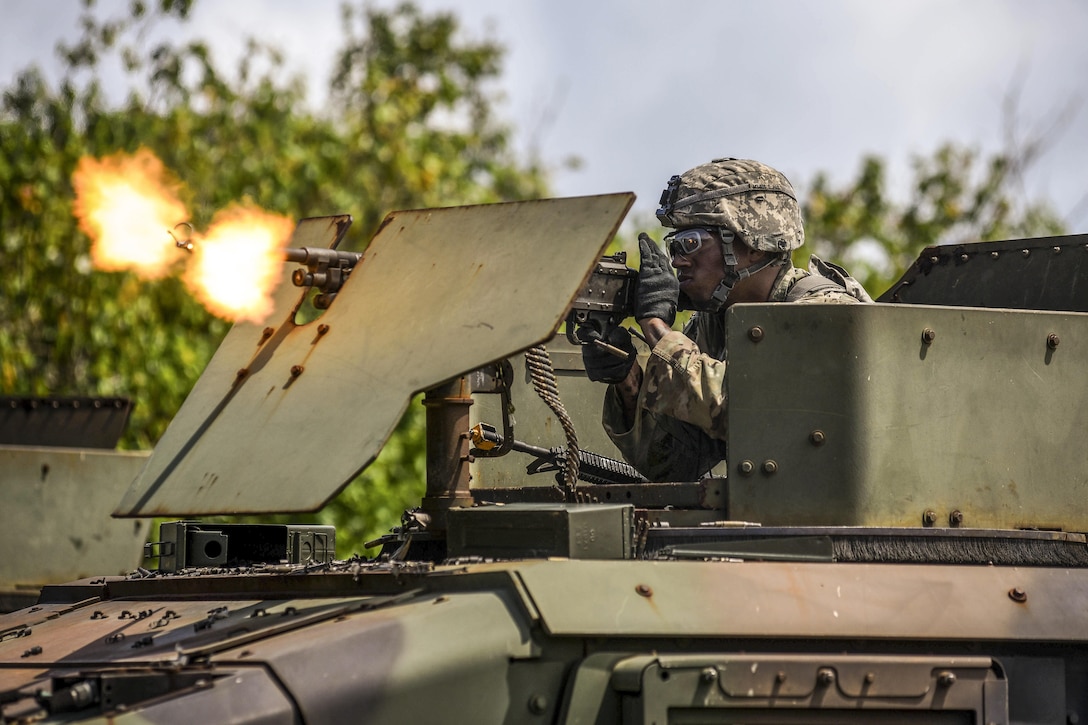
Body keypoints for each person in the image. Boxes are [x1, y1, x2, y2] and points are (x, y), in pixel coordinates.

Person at [581, 157, 871, 481]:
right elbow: (675, 463)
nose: (677, 260)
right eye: (673, 245)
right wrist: (627, 379)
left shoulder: (826, 312)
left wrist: (657, 330)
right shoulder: (717, 324)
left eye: (689, 242)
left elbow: (755, 414)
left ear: (753, 245)